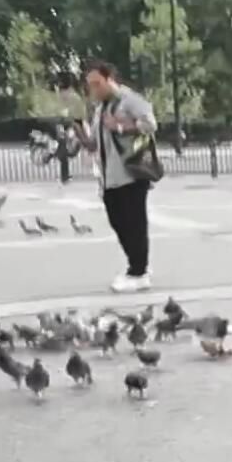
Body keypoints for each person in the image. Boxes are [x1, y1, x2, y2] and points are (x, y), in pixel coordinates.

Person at [75, 60, 158, 294]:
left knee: (134, 223)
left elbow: (150, 124)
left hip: (131, 172)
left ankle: (138, 271)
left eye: (97, 84)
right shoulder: (100, 108)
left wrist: (121, 127)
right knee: (117, 221)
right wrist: (81, 136)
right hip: (109, 175)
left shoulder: (130, 99)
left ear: (110, 78)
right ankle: (138, 264)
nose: (94, 90)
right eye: (90, 85)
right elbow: (97, 143)